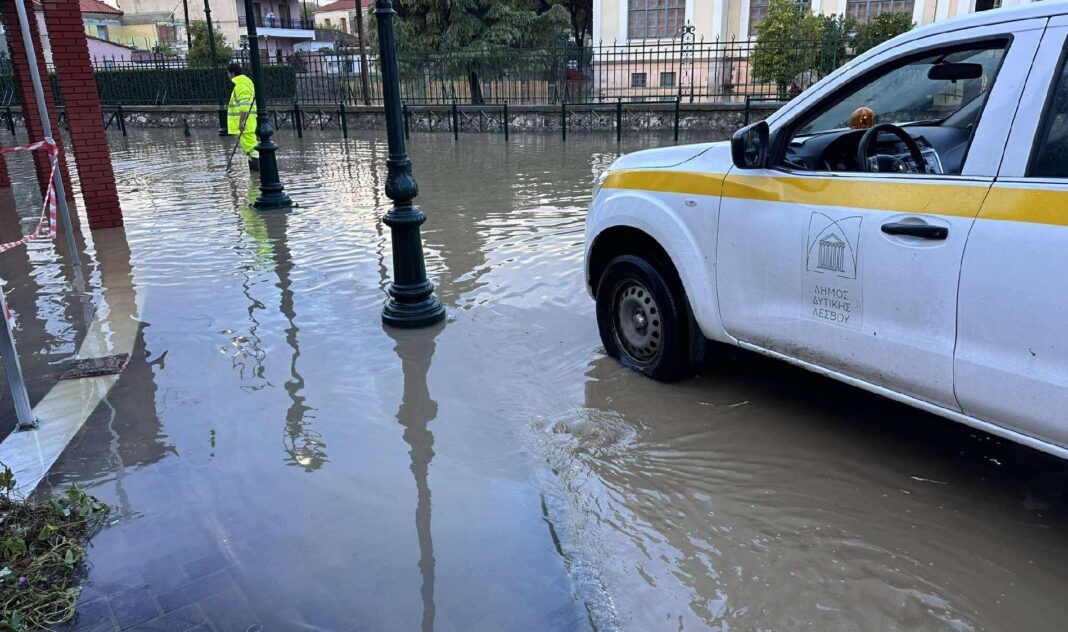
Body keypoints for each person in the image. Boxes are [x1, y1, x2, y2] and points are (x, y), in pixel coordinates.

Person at [227, 62, 259, 172]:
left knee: (252, 148)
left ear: (233, 73)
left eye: (228, 73)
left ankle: (259, 172)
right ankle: (255, 176)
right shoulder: (245, 83)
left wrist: (241, 122)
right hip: (248, 123)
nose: (228, 76)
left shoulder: (241, 86)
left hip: (245, 124)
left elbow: (244, 106)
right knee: (249, 149)